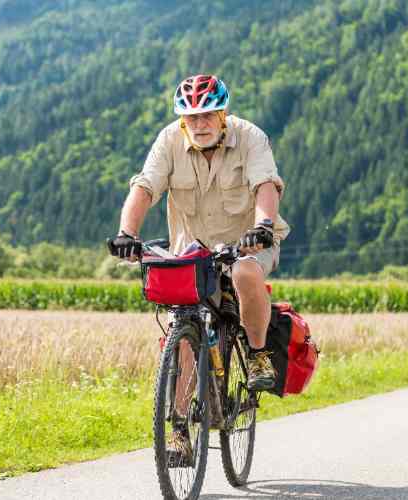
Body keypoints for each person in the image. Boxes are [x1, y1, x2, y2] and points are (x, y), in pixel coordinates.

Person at [108, 74, 290, 463]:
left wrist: (262, 227)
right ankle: (177, 430)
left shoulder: (250, 137)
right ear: (182, 121)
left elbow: (266, 187)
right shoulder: (169, 141)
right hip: (192, 252)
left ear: (222, 114)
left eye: (208, 115)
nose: (200, 124)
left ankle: (257, 355)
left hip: (248, 243)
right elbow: (144, 188)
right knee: (185, 332)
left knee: (243, 273)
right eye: (191, 118)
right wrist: (127, 232)